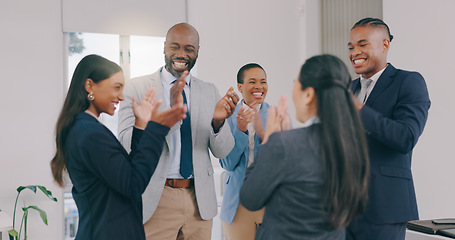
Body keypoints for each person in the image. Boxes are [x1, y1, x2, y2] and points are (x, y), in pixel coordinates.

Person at [118, 23, 239, 240]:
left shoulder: (209, 91)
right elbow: (126, 144)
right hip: (155, 198)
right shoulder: (137, 88)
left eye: (189, 49)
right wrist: (169, 114)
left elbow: (223, 151)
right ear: (164, 47)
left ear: (197, 51)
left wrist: (217, 123)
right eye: (175, 47)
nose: (181, 54)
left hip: (199, 201)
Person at [50, 54, 187, 240]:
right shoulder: (90, 133)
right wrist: (157, 130)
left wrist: (140, 126)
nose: (121, 97)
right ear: (90, 85)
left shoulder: (84, 128)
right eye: (116, 88)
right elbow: (133, 184)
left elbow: (124, 174)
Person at [240, 54, 370, 240]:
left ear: (308, 94)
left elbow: (250, 198)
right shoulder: (353, 144)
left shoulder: (284, 144)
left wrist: (269, 141)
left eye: (296, 82)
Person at [346, 17, 431, 240]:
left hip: (384, 209)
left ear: (385, 44)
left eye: (362, 45)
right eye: (351, 46)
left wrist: (358, 109)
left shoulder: (408, 82)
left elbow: (406, 137)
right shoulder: (348, 88)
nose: (355, 52)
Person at [219, 63, 269, 240]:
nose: (259, 87)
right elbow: (228, 164)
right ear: (240, 87)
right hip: (237, 205)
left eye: (263, 82)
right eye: (252, 81)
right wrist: (240, 130)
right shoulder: (227, 116)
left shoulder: (276, 115)